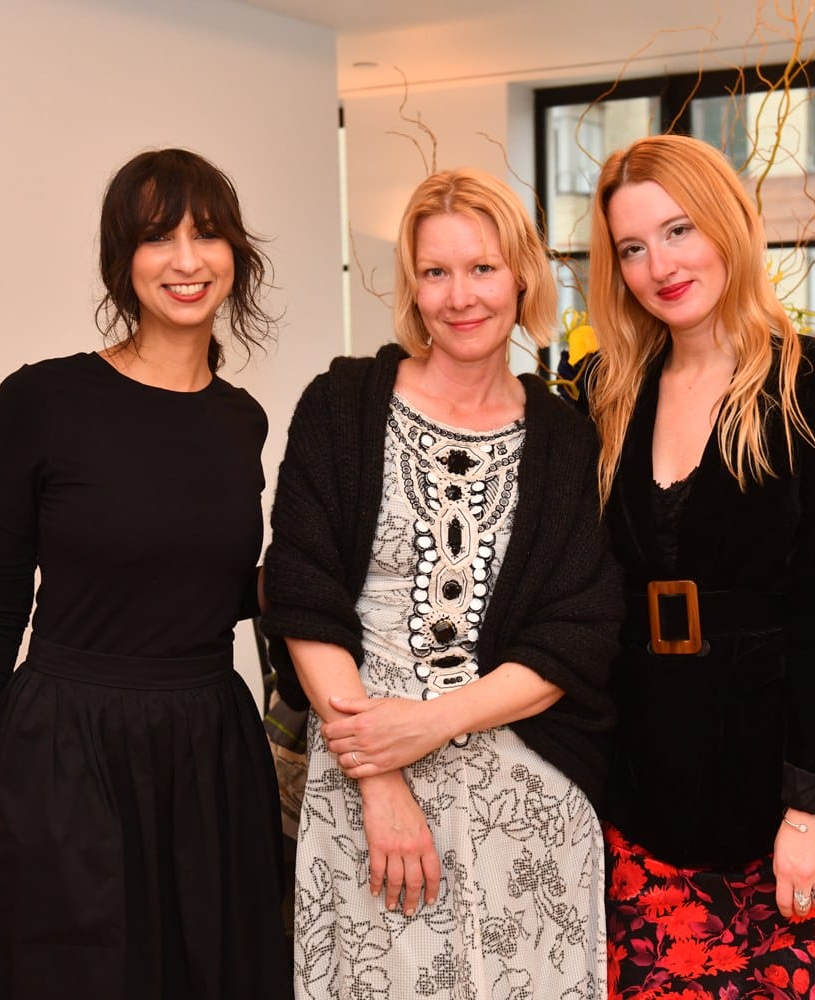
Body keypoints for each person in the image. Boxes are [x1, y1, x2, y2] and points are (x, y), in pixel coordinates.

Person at [0, 148, 291, 1000]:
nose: (187, 260)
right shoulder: (43, 401)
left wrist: (314, 579)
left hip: (208, 749)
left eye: (208, 235)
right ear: (121, 261)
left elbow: (211, 586)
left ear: (237, 255)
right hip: (66, 750)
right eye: (158, 238)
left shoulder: (243, 419)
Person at [261, 167, 623, 998]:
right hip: (363, 766)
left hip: (526, 780)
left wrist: (434, 724)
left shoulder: (566, 437)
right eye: (436, 272)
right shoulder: (343, 402)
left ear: (522, 276)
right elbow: (302, 593)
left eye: (483, 268)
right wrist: (381, 778)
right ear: (413, 288)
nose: (461, 296)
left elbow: (581, 631)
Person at [585, 133, 815, 997]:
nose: (660, 265)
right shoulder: (605, 391)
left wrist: (814, 806)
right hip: (644, 788)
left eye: (680, 230)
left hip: (779, 786)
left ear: (729, 223)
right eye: (634, 248)